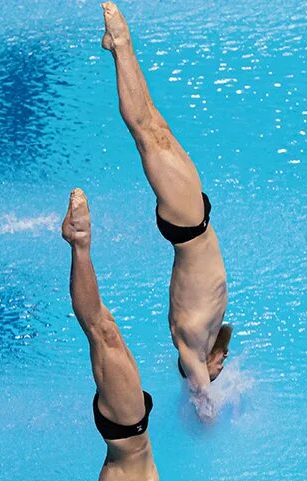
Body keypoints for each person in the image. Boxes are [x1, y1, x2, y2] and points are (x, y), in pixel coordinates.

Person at [101, 2, 232, 420]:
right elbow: (223, 343)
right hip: (194, 218)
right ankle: (118, 46)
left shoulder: (189, 345)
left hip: (188, 222)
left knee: (144, 132)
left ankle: (121, 45)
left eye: (217, 372)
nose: (222, 367)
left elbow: (203, 396)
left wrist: (204, 399)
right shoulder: (209, 334)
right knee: (154, 124)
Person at [62, 188, 171, 481]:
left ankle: (78, 241)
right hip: (131, 430)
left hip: (125, 432)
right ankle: (79, 243)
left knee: (101, 327)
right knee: (105, 330)